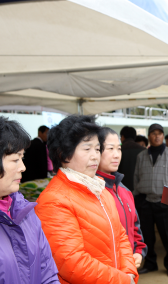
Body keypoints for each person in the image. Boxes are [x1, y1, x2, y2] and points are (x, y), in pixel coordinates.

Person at [35, 115, 138, 284]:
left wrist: (129, 271)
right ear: (63, 154)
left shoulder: (100, 189)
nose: (95, 156)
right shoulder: (53, 200)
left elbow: (121, 237)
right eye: (87, 149)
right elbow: (72, 264)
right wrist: (123, 279)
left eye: (97, 149)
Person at [0, 112, 59, 283]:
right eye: (15, 160)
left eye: (22, 158)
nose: (23, 167)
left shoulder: (24, 210)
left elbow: (48, 274)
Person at [133, 123, 168, 277]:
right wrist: (137, 197)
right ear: (149, 137)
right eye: (153, 133)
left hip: (165, 201)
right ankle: (150, 263)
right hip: (146, 201)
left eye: (159, 133)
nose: (157, 136)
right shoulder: (141, 156)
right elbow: (136, 177)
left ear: (163, 136)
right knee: (146, 236)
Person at [96, 127, 148, 269]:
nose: (117, 155)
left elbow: (135, 229)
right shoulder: (93, 192)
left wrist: (138, 252)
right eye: (110, 149)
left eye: (119, 149)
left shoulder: (124, 190)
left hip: (128, 269)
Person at [118, 126, 146, 191]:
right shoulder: (144, 151)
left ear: (122, 137)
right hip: (140, 189)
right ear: (134, 137)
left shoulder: (118, 150)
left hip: (121, 188)